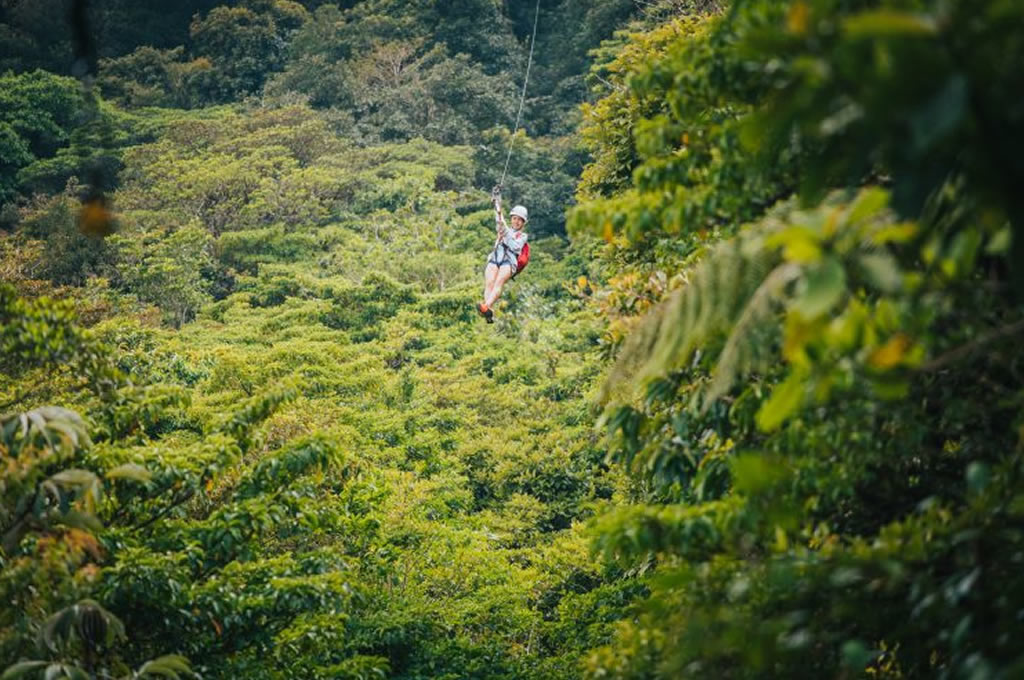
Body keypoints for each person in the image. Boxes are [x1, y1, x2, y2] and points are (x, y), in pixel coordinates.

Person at [478, 195, 528, 323]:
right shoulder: (504, 228)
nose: (516, 222)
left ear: (523, 223)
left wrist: (505, 232)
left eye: (520, 220)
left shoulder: (522, 236)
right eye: (514, 218)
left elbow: (515, 246)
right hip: (496, 256)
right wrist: (497, 204)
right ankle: (488, 309)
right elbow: (499, 221)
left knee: (498, 281)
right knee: (489, 283)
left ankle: (486, 306)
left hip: (509, 261)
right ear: (511, 219)